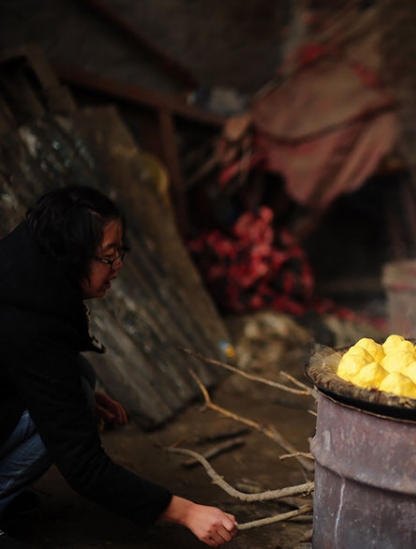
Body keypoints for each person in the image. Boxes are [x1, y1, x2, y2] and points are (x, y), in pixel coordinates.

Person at [0, 186, 238, 548]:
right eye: (109, 257)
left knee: (80, 381)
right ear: (71, 256)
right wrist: (187, 512)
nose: (118, 267)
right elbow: (84, 468)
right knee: (75, 399)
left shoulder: (22, 265)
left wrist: (62, 397)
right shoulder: (30, 323)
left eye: (120, 252)